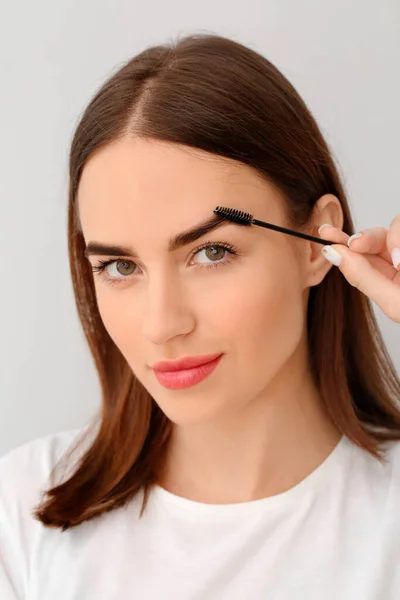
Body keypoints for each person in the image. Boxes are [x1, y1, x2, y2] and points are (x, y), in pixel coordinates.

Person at [1, 33, 400, 600]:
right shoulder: (22, 514)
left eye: (211, 253)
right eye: (119, 266)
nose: (162, 325)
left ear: (316, 244)